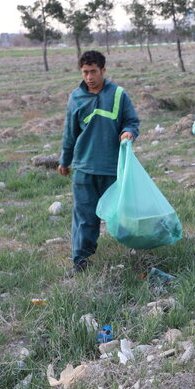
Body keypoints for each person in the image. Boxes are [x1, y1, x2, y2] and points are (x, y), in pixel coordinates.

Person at [58, 50, 140, 275]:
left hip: (112, 168)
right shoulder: (76, 97)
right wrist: (64, 161)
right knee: (85, 217)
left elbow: (131, 121)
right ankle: (80, 260)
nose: (89, 77)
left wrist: (128, 132)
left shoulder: (119, 94)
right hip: (84, 168)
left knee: (121, 212)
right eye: (85, 72)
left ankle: (136, 251)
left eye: (93, 72)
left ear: (103, 70)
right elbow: (70, 133)